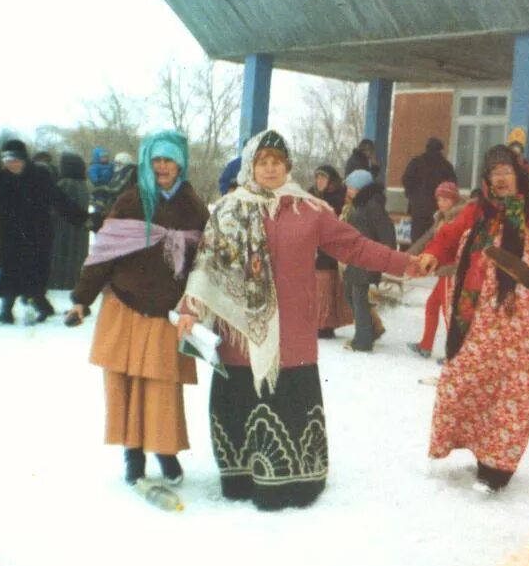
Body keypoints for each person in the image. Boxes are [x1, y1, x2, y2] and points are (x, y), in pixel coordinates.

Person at [176, 129, 417, 510]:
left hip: (293, 335)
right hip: (241, 334)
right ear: (251, 166)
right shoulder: (228, 210)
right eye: (262, 162)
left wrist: (404, 264)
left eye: (277, 162)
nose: (270, 169)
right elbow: (208, 267)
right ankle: (241, 477)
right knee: (242, 400)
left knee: (288, 403)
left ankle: (295, 482)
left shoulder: (309, 211)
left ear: (288, 166)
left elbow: (355, 246)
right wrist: (190, 310)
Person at [418, 145, 529, 492]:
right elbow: (448, 236)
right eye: (494, 173)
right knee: (461, 379)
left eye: (506, 171)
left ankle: (496, 468)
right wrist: (431, 256)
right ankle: (468, 446)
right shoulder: (477, 211)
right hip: (482, 318)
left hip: (528, 324)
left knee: (514, 394)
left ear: (519, 175)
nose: (500, 178)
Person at [67, 132, 208, 485]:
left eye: (169, 159)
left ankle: (165, 450)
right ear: (146, 162)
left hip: (168, 310)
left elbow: (207, 264)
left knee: (162, 387)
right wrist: (82, 300)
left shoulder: (194, 207)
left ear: (180, 164)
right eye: (156, 159)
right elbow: (103, 254)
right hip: (125, 305)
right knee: (125, 383)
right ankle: (132, 454)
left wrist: (199, 304)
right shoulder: (131, 201)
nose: (162, 165)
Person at [0, 140, 86, 325]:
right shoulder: (2, 178)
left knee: (33, 275)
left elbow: (59, 199)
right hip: (12, 235)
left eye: (16, 159)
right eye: (8, 160)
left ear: (24, 159)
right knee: (9, 273)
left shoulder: (39, 176)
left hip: (37, 234)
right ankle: (6, 313)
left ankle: (42, 307)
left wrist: (80, 217)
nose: (12, 164)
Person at [406, 181, 466, 359]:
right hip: (443, 270)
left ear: (454, 200)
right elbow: (427, 239)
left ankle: (454, 353)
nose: (442, 203)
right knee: (432, 304)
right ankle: (426, 345)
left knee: (449, 312)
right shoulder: (441, 218)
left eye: (446, 199)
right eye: (439, 199)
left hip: (452, 270)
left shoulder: (459, 218)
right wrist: (408, 256)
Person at [340, 168, 397, 352]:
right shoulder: (362, 204)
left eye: (351, 187)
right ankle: (369, 331)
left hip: (368, 258)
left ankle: (363, 340)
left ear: (360, 188)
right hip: (357, 257)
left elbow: (387, 233)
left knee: (358, 298)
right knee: (350, 294)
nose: (348, 191)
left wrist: (385, 256)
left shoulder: (372, 206)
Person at [309, 164, 352, 339]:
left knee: (327, 285)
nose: (319, 181)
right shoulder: (311, 195)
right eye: (317, 177)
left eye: (323, 178)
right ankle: (318, 322)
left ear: (331, 181)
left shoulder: (338, 198)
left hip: (330, 248)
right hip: (313, 247)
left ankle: (325, 324)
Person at [47, 152, 91, 291]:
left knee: (61, 254)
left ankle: (59, 281)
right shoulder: (83, 185)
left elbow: (56, 207)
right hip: (79, 229)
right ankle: (72, 281)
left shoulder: (64, 184)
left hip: (63, 228)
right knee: (75, 255)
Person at [401, 137, 458, 242]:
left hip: (418, 209)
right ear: (440, 150)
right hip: (438, 209)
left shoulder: (416, 162)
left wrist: (412, 196)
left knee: (418, 240)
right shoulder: (446, 166)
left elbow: (406, 180)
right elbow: (453, 186)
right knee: (436, 239)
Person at [88, 151, 137, 232]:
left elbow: (116, 188)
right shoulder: (119, 171)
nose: (116, 166)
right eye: (116, 163)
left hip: (124, 209)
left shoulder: (129, 170)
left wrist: (100, 189)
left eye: (119, 163)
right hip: (115, 207)